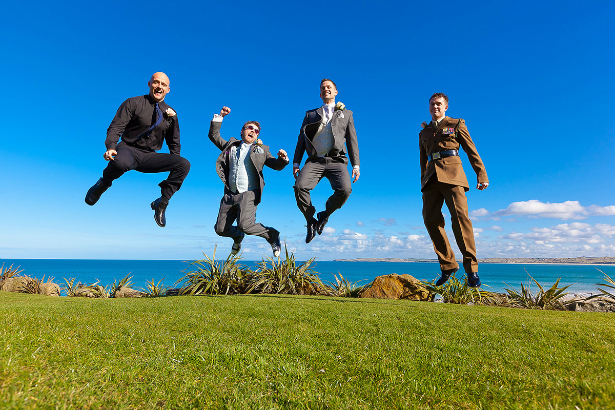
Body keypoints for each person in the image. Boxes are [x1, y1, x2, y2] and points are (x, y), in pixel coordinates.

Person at [85, 72, 190, 227]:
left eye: (163, 84)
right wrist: (111, 147)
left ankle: (162, 202)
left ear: (168, 89)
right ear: (149, 84)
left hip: (150, 157)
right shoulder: (132, 103)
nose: (159, 86)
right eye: (156, 82)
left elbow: (174, 142)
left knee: (184, 164)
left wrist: (173, 164)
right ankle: (104, 183)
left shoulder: (171, 114)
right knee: (120, 162)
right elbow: (115, 127)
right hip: (128, 150)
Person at [419, 92, 489, 288]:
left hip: (453, 175)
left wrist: (481, 174)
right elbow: (422, 161)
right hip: (431, 179)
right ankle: (448, 264)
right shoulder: (423, 133)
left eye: (439, 104)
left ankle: (472, 270)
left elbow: (471, 149)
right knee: (430, 220)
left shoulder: (456, 124)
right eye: (432, 104)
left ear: (446, 107)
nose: (435, 107)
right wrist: (423, 182)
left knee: (460, 219)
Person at [209, 106, 289, 257]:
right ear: (242, 130)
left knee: (245, 225)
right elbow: (213, 135)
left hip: (249, 193)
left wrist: (283, 159)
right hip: (229, 195)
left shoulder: (262, 149)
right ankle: (237, 236)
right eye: (249, 128)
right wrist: (221, 116)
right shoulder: (230, 146)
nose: (252, 131)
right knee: (220, 229)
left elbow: (276, 165)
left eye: (256, 131)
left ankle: (271, 235)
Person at [293, 79, 360, 243]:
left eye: (329, 87)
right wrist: (296, 163)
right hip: (315, 160)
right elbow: (301, 140)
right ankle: (310, 220)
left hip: (337, 160)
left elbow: (352, 141)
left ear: (336, 92)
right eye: (322, 88)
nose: (325, 89)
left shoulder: (347, 114)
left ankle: (324, 215)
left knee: (345, 190)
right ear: (320, 94)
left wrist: (356, 165)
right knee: (300, 187)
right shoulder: (310, 114)